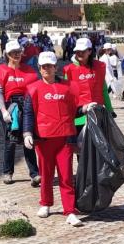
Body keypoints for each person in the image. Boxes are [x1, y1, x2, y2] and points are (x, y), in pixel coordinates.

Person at [23, 52, 85, 227]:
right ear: (39, 68)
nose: (47, 69)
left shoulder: (68, 87)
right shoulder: (33, 88)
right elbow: (28, 112)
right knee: (46, 175)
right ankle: (45, 203)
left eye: (50, 66)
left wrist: (86, 108)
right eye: (44, 66)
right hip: (43, 140)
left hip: (65, 139)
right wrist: (27, 133)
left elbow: (74, 110)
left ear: (55, 67)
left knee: (65, 175)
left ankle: (70, 211)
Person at [0, 41, 40, 186]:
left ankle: (35, 174)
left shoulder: (30, 71)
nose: (17, 54)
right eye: (13, 52)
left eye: (19, 52)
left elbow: (36, 89)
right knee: (10, 141)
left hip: (26, 106)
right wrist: (3, 111)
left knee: (29, 139)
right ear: (7, 54)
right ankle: (7, 172)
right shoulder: (0, 71)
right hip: (9, 107)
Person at [64, 37, 112, 132]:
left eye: (83, 50)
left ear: (90, 51)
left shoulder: (99, 67)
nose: (80, 53)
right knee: (81, 145)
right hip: (79, 116)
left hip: (98, 113)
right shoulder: (69, 70)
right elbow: (67, 95)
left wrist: (110, 110)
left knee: (99, 145)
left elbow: (104, 90)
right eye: (78, 51)